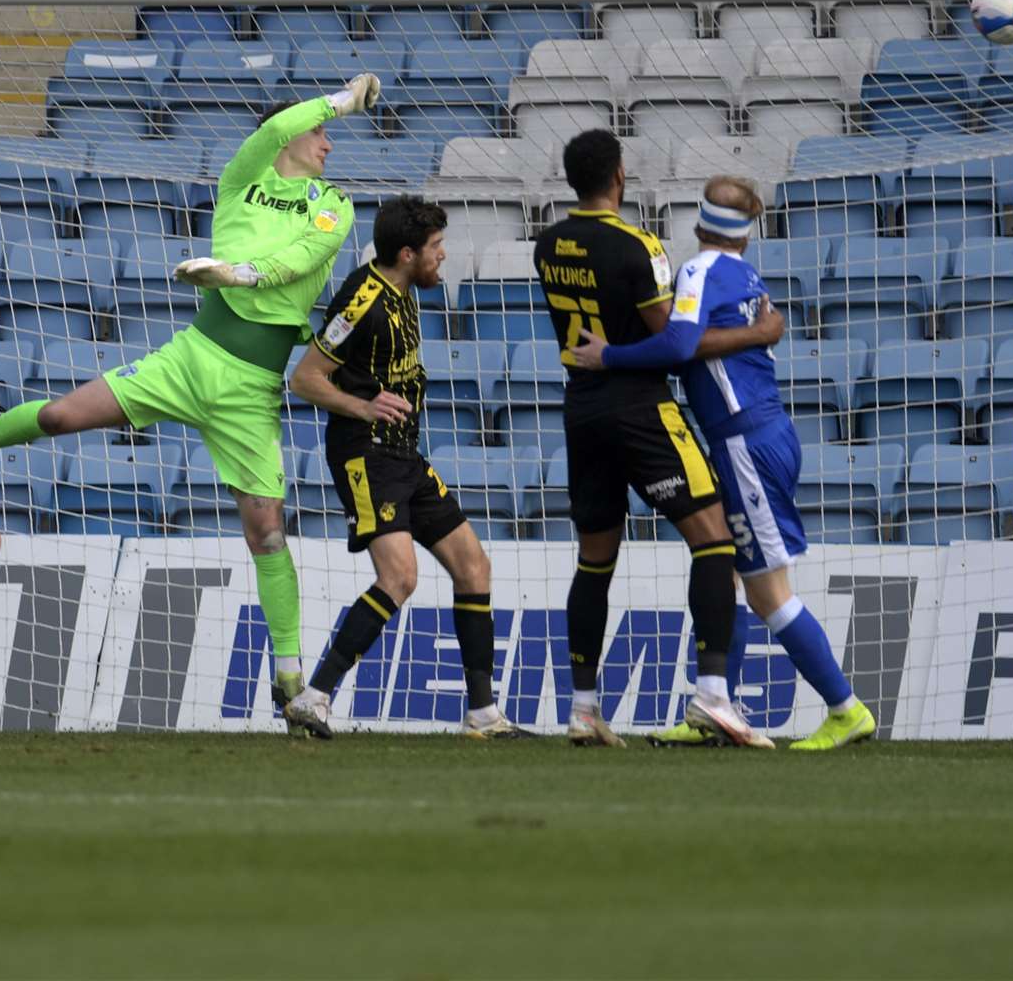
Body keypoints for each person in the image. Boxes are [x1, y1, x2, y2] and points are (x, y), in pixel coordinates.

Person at [0, 74, 381, 732]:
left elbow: (307, 256)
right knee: (60, 417)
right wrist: (343, 100)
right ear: (294, 133)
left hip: (250, 389)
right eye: (321, 132)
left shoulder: (333, 204)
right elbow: (272, 130)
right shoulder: (243, 180)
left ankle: (293, 682)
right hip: (190, 360)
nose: (329, 143)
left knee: (267, 531)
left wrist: (238, 274)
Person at [570, 175, 877, 751]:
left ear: (702, 221)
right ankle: (714, 700)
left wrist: (606, 354)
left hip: (744, 442)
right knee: (729, 571)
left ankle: (845, 707)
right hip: (758, 433)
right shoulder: (743, 274)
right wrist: (758, 333)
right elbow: (718, 340)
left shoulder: (699, 271)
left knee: (768, 592)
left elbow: (681, 346)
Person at [534, 130, 774, 749]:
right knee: (714, 541)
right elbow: (674, 344)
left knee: (594, 559)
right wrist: (759, 332)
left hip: (580, 410)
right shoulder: (639, 247)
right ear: (618, 175)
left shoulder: (546, 243)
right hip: (639, 406)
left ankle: (584, 709)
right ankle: (713, 695)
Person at [283, 196, 526, 740]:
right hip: (365, 452)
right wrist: (364, 406)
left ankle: (484, 714)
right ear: (408, 252)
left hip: (403, 453)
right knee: (399, 577)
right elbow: (305, 379)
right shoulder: (361, 301)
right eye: (436, 248)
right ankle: (315, 697)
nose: (444, 256)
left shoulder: (406, 290)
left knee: (473, 566)